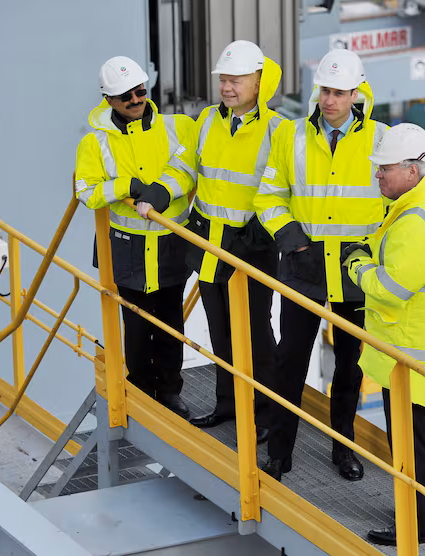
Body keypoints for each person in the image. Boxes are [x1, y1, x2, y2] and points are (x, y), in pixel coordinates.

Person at [253, 49, 388, 481]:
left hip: (355, 273)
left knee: (349, 369)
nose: (329, 100)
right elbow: (268, 197)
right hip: (303, 267)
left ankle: (343, 449)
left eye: (338, 92)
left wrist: (370, 254)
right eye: (324, 90)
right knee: (289, 362)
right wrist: (293, 243)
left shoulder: (382, 140)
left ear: (356, 93)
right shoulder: (290, 136)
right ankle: (279, 451)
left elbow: (396, 206)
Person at [159, 41, 282, 444]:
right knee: (221, 333)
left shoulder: (277, 130)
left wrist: (261, 232)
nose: (227, 88)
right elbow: (184, 168)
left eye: (235, 80)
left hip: (253, 247)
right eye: (223, 80)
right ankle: (228, 405)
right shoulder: (208, 120)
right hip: (211, 245)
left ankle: (265, 414)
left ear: (258, 81)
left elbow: (284, 188)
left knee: (257, 335)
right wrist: (160, 193)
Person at [343, 123, 425, 546]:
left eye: (384, 169)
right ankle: (417, 514)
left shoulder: (418, 223)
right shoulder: (419, 203)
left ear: (412, 170)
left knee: (410, 445)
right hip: (404, 352)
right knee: (409, 441)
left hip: (410, 357)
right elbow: (389, 252)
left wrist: (356, 266)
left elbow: (390, 291)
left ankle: (419, 526)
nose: (378, 176)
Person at [75, 56, 195, 418]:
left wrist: (161, 190)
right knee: (138, 326)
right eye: (125, 95)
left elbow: (188, 171)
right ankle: (141, 395)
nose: (135, 99)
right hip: (127, 249)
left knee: (172, 321)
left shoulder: (176, 128)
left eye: (140, 91)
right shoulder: (94, 143)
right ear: (108, 99)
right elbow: (85, 191)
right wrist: (124, 185)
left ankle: (171, 393)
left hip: (170, 243)